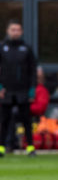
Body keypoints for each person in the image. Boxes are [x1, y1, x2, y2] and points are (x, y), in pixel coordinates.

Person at [0, 20, 38, 157]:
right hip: (6, 91)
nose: (15, 32)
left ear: (21, 32)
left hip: (23, 91)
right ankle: (2, 148)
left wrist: (32, 89)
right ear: (8, 31)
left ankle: (30, 148)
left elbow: (33, 70)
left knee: (26, 121)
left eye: (17, 30)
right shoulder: (2, 48)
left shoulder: (26, 49)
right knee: (4, 120)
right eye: (12, 29)